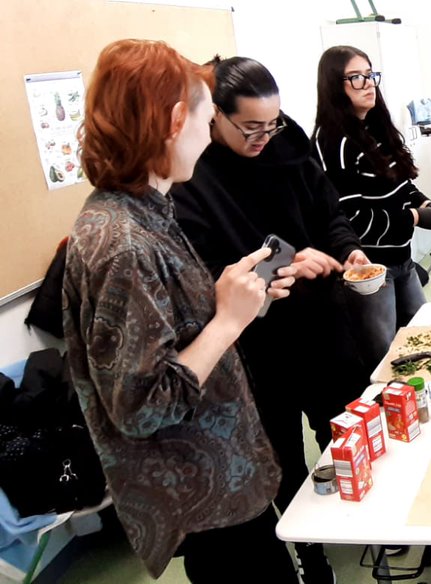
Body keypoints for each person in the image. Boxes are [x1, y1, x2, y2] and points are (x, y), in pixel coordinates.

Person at [62, 40, 296, 582]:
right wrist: (228, 320)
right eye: (206, 117)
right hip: (204, 493)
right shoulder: (122, 244)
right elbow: (142, 406)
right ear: (174, 121)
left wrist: (240, 300)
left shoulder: (145, 211)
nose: (210, 133)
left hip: (225, 473)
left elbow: (173, 332)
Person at [170, 56, 366, 583]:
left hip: (321, 324)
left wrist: (345, 249)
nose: (264, 137)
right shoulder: (192, 176)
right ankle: (310, 551)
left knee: (346, 425)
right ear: (215, 116)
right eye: (250, 127)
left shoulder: (288, 143)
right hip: (255, 346)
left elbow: (328, 211)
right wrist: (285, 265)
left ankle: (363, 520)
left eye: (272, 123)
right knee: (281, 457)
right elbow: (207, 278)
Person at [313, 45, 431, 361]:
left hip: (402, 259)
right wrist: (416, 217)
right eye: (356, 77)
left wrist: (428, 205)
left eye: (370, 75)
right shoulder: (333, 142)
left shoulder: (374, 127)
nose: (368, 84)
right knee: (385, 359)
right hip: (371, 269)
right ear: (333, 84)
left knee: (424, 343)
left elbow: (401, 183)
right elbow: (352, 219)